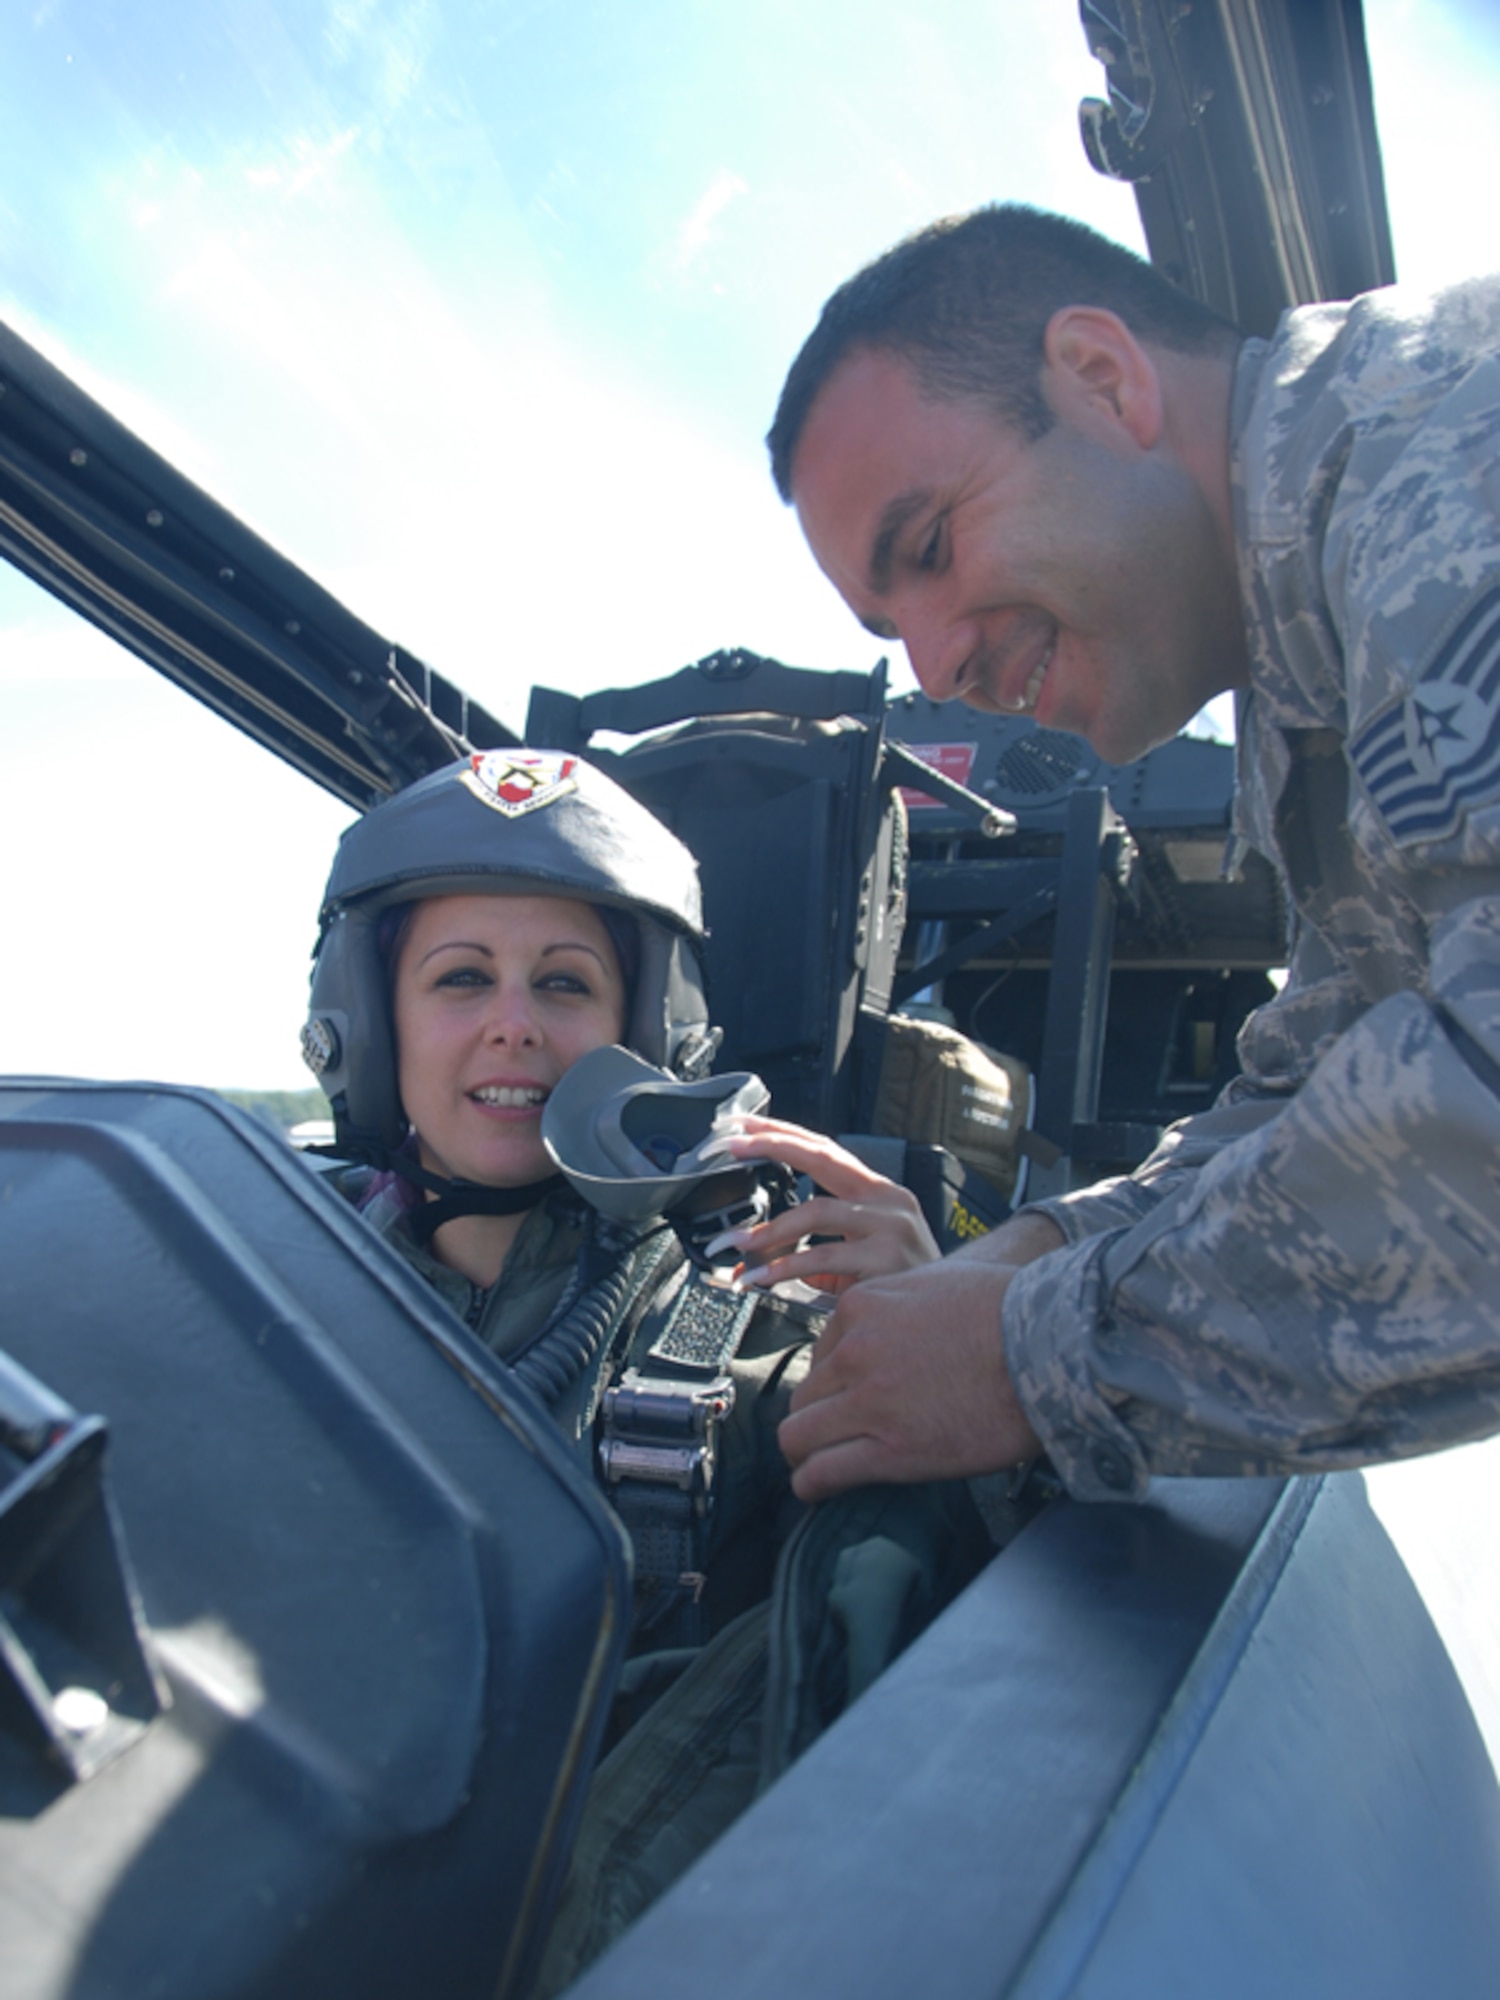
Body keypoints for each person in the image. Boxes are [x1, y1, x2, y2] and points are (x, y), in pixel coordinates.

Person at [755, 201, 1500, 1508]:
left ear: (1104, 379)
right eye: (894, 623)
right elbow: (1327, 1061)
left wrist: (1031, 1350)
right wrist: (1032, 1253)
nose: (936, 667)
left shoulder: (1438, 457)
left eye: (930, 547)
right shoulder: (1306, 678)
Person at [299, 744, 983, 1987]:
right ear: (364, 1017)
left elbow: (955, 1630)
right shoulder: (263, 1276)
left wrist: (938, 1339)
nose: (515, 1018)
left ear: (647, 1030)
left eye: (565, 982)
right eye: (461, 976)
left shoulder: (767, 1315)